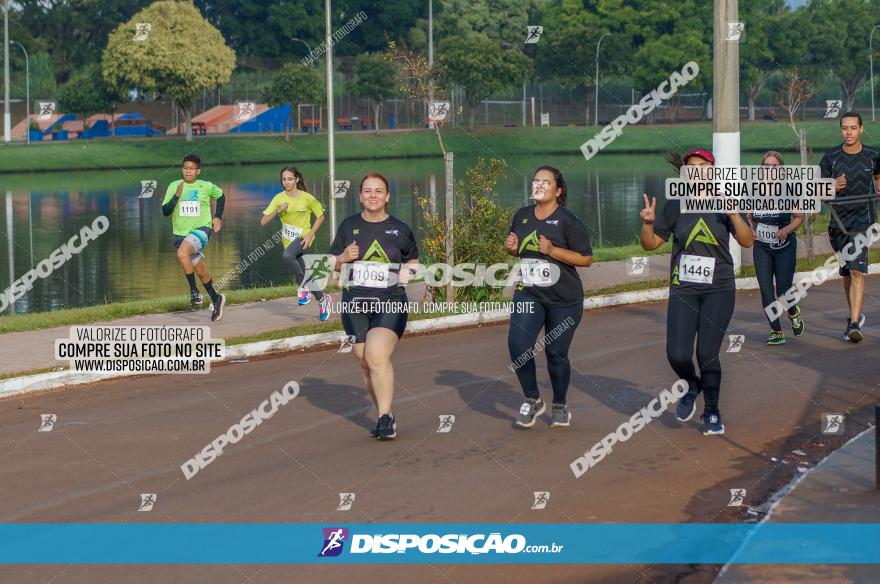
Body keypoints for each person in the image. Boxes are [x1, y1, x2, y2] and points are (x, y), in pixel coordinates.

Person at [640, 148, 754, 435]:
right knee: (676, 354)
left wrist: (733, 214)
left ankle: (712, 412)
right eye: (691, 167)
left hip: (719, 288)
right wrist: (648, 223)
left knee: (707, 352)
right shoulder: (675, 206)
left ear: (713, 170)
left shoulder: (725, 201)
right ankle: (692, 384)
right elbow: (650, 244)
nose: (697, 171)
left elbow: (747, 241)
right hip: (684, 289)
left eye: (703, 166)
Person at [329, 172, 419, 440]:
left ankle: (384, 418)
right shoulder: (348, 226)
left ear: (388, 197)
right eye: (367, 191)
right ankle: (385, 412)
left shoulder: (400, 229)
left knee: (376, 355)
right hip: (355, 303)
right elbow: (330, 262)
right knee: (364, 362)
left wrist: (409, 274)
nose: (373, 195)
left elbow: (413, 261)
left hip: (390, 301)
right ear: (360, 196)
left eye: (378, 191)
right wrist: (343, 257)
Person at [505, 166, 592, 428]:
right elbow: (517, 250)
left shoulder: (568, 221)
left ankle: (559, 404)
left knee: (555, 353)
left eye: (545, 182)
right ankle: (533, 400)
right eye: (535, 181)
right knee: (519, 346)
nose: (539, 185)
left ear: (558, 190)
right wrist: (512, 249)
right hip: (529, 293)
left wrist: (553, 250)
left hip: (564, 299)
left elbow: (586, 259)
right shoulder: (521, 216)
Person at [819, 112, 880, 343]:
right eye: (845, 128)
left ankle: (854, 325)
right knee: (846, 271)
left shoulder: (874, 155)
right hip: (838, 224)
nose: (849, 132)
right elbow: (817, 190)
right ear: (840, 129)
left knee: (857, 271)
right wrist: (832, 186)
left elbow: (878, 174)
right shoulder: (831, 158)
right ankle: (854, 315)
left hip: (863, 222)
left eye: (853, 128)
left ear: (861, 129)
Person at [261, 166, 332, 321]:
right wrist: (277, 211)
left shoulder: (307, 198)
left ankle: (303, 289)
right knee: (305, 273)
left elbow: (320, 217)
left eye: (290, 179)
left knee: (287, 256)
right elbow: (263, 221)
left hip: (304, 236)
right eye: (284, 179)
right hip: (288, 240)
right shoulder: (279, 198)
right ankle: (322, 300)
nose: (286, 182)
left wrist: (310, 235)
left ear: (297, 179)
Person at [749, 151, 805, 345]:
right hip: (762, 247)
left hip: (784, 247)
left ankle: (792, 311)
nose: (771, 170)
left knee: (783, 290)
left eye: (775, 167)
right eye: (767, 167)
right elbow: (748, 216)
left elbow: (799, 216)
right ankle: (777, 331)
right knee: (765, 290)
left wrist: (787, 230)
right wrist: (751, 230)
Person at [162, 154, 226, 322]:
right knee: (200, 269)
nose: (188, 171)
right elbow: (165, 211)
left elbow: (221, 196)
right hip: (181, 235)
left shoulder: (206, 186)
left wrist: (218, 216)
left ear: (198, 171)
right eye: (185, 168)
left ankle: (194, 292)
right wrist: (176, 195)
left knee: (182, 253)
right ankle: (216, 298)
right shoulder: (174, 186)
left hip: (201, 230)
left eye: (191, 168)